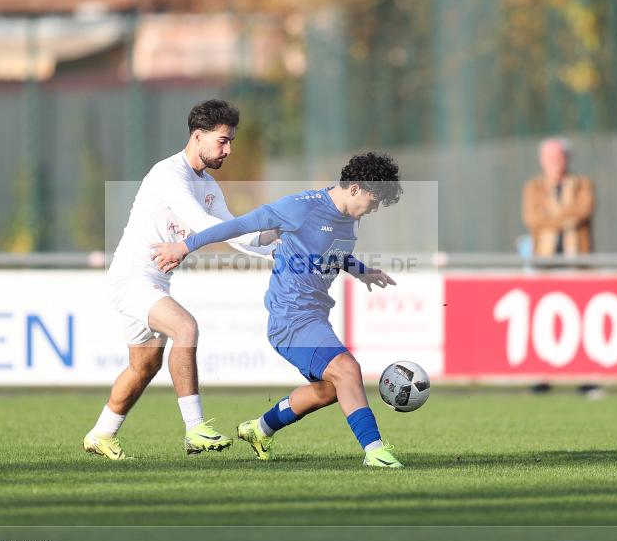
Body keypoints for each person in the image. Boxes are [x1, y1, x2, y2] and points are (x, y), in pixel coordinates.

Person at [152, 152, 406, 468]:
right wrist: (185, 246)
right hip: (290, 319)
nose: (375, 208)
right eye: (375, 199)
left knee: (330, 389)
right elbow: (237, 226)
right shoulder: (299, 207)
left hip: (314, 317)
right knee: (348, 370)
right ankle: (375, 451)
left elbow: (331, 251)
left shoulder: (349, 222)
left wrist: (361, 269)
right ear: (355, 188)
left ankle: (260, 429)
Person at [84, 99, 278, 460]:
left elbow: (234, 233)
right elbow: (205, 226)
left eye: (231, 141)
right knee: (185, 328)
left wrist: (274, 244)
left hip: (155, 282)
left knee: (144, 367)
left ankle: (101, 433)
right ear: (198, 136)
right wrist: (249, 232)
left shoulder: (208, 185)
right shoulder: (168, 174)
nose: (229, 149)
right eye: (222, 141)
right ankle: (195, 430)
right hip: (132, 278)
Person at [522, 137, 595, 256]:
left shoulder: (583, 184)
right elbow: (532, 219)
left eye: (558, 157)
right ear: (542, 160)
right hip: (544, 258)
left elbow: (583, 211)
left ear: (566, 158)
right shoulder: (533, 187)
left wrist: (548, 215)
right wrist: (568, 218)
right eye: (550, 158)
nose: (554, 162)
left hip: (577, 258)